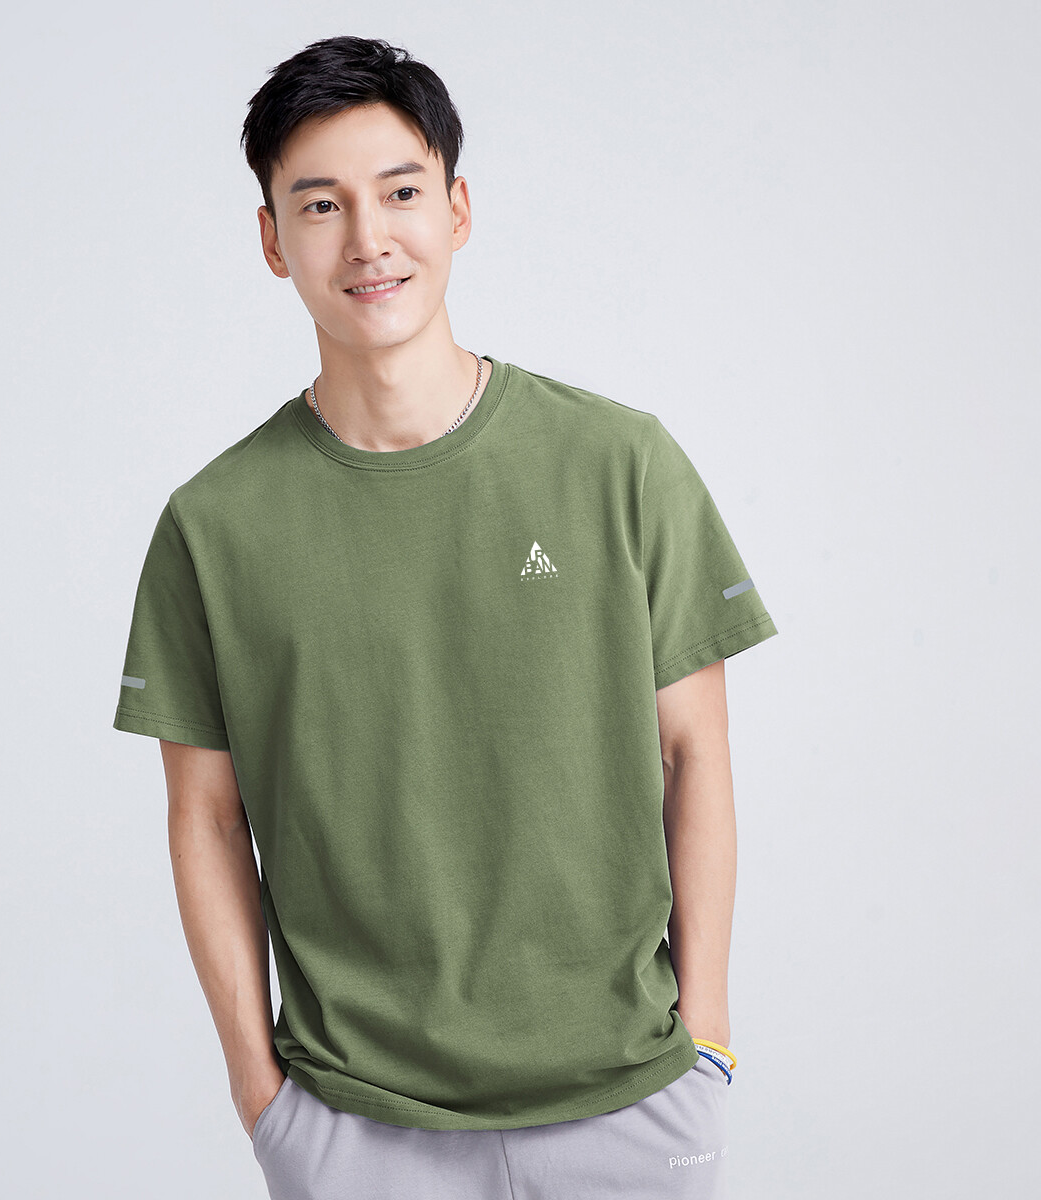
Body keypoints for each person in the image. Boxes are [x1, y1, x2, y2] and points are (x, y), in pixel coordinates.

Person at [112, 34, 777, 1200]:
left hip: (630, 1100)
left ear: (458, 210)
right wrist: (262, 1095)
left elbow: (695, 754)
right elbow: (206, 820)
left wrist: (706, 1042)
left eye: (402, 193)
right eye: (321, 205)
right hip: (356, 1125)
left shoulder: (621, 465)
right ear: (272, 239)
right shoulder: (214, 528)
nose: (368, 239)